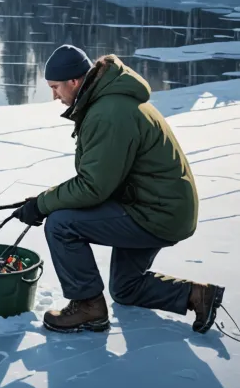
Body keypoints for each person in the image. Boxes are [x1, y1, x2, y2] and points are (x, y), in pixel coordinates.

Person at [13, 45, 224, 334]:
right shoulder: (109, 101)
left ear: (74, 81)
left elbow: (92, 187)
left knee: (61, 224)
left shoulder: (109, 113)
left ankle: (88, 307)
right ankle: (197, 295)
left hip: (155, 212)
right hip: (156, 205)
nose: (54, 96)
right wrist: (42, 201)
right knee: (126, 288)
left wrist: (42, 205)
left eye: (55, 87)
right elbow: (100, 179)